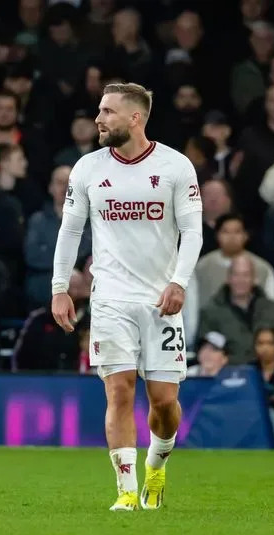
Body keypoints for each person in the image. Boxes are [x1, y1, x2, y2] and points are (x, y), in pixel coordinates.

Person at [51, 83, 203, 511]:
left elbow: (192, 232)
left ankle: (156, 467)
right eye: (100, 111)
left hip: (161, 301)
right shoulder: (87, 168)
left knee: (165, 404)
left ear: (136, 118)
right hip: (110, 300)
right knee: (119, 390)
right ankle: (126, 492)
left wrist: (179, 282)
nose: (98, 119)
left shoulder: (176, 166)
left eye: (107, 112)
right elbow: (70, 231)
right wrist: (60, 287)